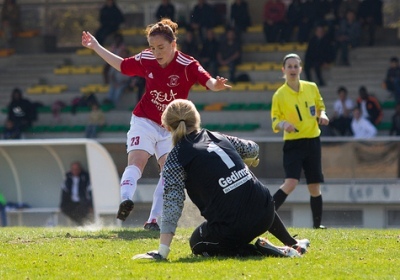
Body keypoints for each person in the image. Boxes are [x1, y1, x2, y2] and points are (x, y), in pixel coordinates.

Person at [81, 18, 231, 230]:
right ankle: (125, 200)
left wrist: (217, 84)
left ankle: (152, 221)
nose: (156, 52)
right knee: (137, 161)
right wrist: (95, 46)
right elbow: (123, 66)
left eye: (161, 47)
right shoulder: (147, 58)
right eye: (152, 47)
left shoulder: (188, 65)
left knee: (168, 172)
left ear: (173, 44)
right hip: (144, 120)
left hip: (171, 127)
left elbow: (209, 82)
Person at [132, 99, 310, 260]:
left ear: (167, 127)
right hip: (265, 211)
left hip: (236, 226)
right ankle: (292, 243)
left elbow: (173, 202)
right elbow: (253, 149)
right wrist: (251, 160)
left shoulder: (175, 158)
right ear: (196, 119)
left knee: (197, 243)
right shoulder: (217, 136)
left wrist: (162, 251)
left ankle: (259, 251)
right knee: (250, 191)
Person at [271, 53, 329, 229]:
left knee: (314, 186)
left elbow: (320, 107)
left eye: (296, 66)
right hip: (293, 144)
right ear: (284, 70)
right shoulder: (279, 95)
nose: (293, 69)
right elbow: (274, 120)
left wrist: (323, 115)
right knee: (291, 183)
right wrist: (283, 124)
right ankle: (264, 215)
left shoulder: (311, 87)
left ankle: (317, 226)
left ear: (301, 69)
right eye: (289, 66)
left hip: (312, 141)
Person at [60, 161, 93, 225]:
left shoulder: (85, 178)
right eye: (73, 169)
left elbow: (89, 192)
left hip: (83, 202)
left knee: (84, 211)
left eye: (77, 169)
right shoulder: (68, 179)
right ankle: (81, 223)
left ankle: (85, 224)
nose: (75, 171)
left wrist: (90, 204)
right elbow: (64, 193)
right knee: (66, 209)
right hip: (71, 202)